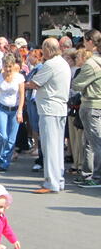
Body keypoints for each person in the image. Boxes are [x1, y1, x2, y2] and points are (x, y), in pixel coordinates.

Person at [28, 38, 71, 194]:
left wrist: (24, 83)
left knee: (50, 146)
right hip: (59, 107)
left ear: (47, 49)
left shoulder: (51, 64)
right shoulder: (63, 63)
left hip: (49, 108)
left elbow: (35, 83)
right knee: (57, 146)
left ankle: (51, 182)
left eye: (43, 49)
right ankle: (58, 180)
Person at [72, 29, 101, 187]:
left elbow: (77, 84)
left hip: (91, 104)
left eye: (84, 40)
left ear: (90, 41)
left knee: (95, 142)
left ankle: (96, 177)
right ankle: (88, 173)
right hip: (94, 104)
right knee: (89, 142)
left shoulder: (91, 63)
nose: (83, 43)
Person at [0, 54, 25, 172]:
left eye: (10, 66)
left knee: (11, 139)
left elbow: (21, 95)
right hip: (2, 108)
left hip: (14, 110)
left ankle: (4, 162)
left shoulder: (19, 78)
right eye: (6, 66)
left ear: (13, 66)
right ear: (2, 66)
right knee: (3, 136)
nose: (8, 69)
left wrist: (20, 111)